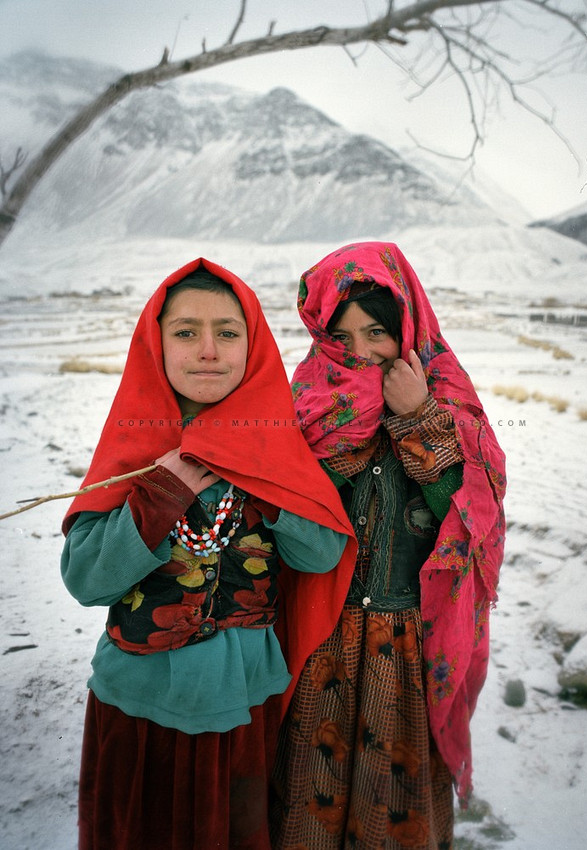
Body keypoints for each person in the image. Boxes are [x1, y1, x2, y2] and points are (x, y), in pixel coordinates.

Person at [60, 258, 357, 850]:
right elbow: (87, 579)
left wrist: (260, 471)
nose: (207, 350)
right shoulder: (137, 440)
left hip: (243, 704)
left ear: (253, 347)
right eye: (185, 331)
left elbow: (321, 556)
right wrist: (162, 494)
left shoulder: (277, 444)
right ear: (156, 343)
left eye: (227, 331)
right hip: (139, 703)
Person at [270, 242, 506, 849]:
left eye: (376, 331)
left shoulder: (446, 401)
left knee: (393, 810)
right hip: (323, 638)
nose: (360, 352)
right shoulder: (306, 405)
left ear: (405, 326)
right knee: (307, 804)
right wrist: (345, 442)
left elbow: (470, 518)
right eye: (341, 335)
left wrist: (418, 418)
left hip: (406, 648)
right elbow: (290, 511)